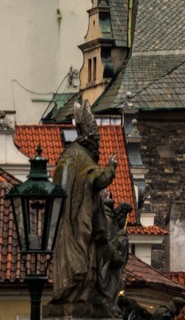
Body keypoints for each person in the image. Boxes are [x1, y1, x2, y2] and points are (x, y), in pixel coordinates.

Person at [47, 102, 129, 317]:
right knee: (82, 262)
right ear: (90, 139)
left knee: (83, 261)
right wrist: (111, 166)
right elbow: (97, 179)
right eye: (97, 140)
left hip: (70, 224)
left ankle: (79, 293)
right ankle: (77, 294)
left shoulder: (67, 157)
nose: (99, 144)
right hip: (78, 224)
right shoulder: (80, 157)